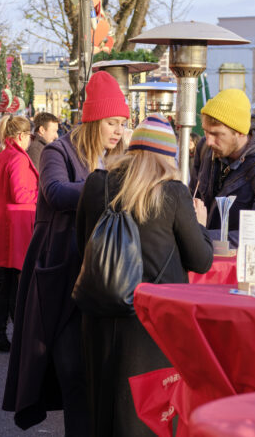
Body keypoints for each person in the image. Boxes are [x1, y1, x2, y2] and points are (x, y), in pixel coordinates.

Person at [3, 71, 129, 435]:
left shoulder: (117, 157)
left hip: (102, 275)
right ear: (93, 121)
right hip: (59, 274)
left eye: (122, 123)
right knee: (72, 372)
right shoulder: (58, 151)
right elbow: (56, 192)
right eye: (112, 122)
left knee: (96, 378)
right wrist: (110, 186)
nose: (118, 131)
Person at [76, 114, 213, 436]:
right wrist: (202, 223)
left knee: (102, 409)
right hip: (152, 322)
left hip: (99, 315)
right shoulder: (173, 193)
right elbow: (201, 260)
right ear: (168, 157)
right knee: (146, 415)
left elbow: (81, 245)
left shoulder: (97, 183)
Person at [194, 89, 255, 247]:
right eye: (205, 132)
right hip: (208, 259)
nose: (209, 141)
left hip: (252, 266)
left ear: (240, 132)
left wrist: (198, 236)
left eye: (216, 134)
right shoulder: (207, 150)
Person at [0, 115, 38, 354]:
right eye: (30, 137)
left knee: (6, 284)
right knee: (16, 284)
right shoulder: (18, 158)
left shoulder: (3, 156)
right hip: (17, 225)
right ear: (22, 136)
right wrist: (41, 194)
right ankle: (14, 336)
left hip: (3, 223)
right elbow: (21, 195)